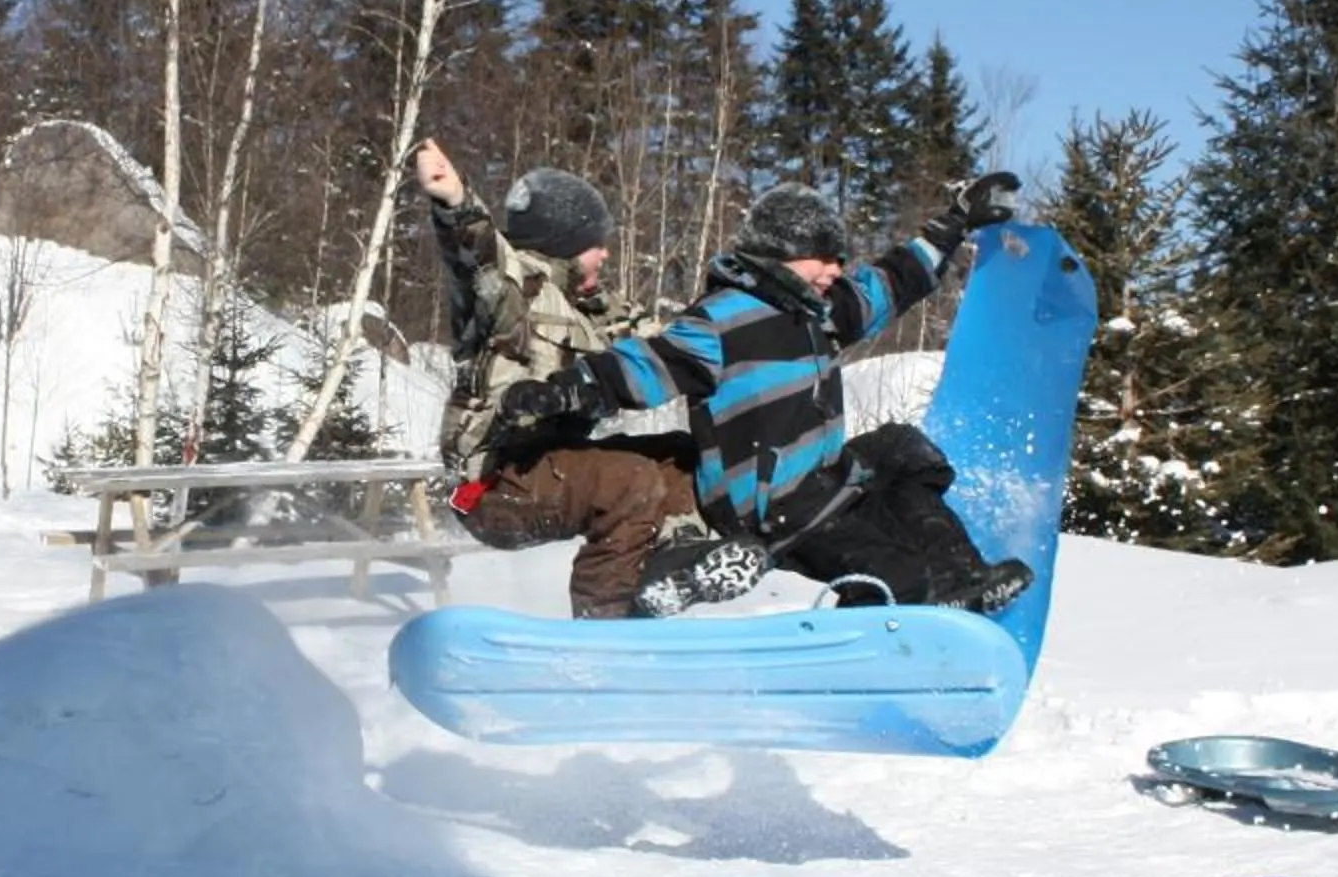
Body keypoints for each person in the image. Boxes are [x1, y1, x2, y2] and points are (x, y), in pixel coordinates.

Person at [500, 173, 1035, 616]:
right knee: (898, 571)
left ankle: (964, 579)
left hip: (829, 486)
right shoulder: (722, 321)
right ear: (782, 255)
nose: (835, 270)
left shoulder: (821, 314)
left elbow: (890, 282)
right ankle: (876, 621)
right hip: (776, 508)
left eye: (838, 260)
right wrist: (565, 390)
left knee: (902, 452)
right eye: (823, 258)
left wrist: (955, 222)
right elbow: (644, 365)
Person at [416, 136, 731, 620]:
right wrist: (454, 204)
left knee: (684, 460)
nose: (604, 255)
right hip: (489, 482)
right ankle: (601, 627)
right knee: (630, 482)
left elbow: (676, 346)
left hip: (548, 467)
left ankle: (662, 579)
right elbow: (478, 258)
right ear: (563, 243)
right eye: (594, 244)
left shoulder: (599, 312)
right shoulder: (512, 293)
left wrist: (750, 323)